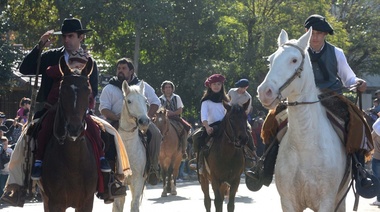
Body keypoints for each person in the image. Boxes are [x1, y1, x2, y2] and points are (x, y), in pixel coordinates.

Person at [0, 18, 124, 206]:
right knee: (27, 137)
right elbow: (24, 68)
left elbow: (95, 90)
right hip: (51, 108)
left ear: (80, 37)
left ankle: (110, 180)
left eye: (71, 36)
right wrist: (39, 47)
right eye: (64, 36)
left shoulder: (89, 62)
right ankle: (19, 185)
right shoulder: (50, 56)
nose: (67, 40)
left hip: (79, 111)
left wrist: (85, 106)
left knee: (108, 133)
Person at [246, 14, 373, 191]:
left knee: (357, 123)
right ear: (307, 32)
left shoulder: (336, 52)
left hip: (331, 97)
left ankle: (360, 173)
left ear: (325, 35)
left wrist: (357, 82)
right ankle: (264, 167)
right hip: (299, 98)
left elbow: (348, 77)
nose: (316, 37)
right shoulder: (295, 52)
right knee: (271, 122)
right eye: (313, 33)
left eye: (320, 33)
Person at [99, 57, 162, 185]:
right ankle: (107, 172)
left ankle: (153, 168)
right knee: (103, 137)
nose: (120, 71)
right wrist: (115, 117)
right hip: (116, 121)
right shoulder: (110, 88)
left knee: (156, 134)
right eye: (118, 68)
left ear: (131, 71)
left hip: (141, 121)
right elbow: (103, 108)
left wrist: (146, 116)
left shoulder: (142, 86)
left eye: (124, 68)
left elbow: (156, 102)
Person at [190, 74, 229, 173]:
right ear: (210, 86)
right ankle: (199, 162)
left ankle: (248, 158)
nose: (216, 86)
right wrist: (207, 127)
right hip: (211, 127)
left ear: (222, 86)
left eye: (219, 84)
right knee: (196, 137)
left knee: (242, 133)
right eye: (214, 84)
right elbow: (204, 116)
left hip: (225, 126)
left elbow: (229, 114)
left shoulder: (226, 101)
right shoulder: (205, 101)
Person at [159, 80, 192, 160]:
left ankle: (184, 150)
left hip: (175, 118)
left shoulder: (176, 97)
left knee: (186, 128)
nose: (168, 89)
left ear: (172, 88)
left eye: (169, 87)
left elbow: (180, 110)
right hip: (163, 119)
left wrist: (172, 113)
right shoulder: (160, 99)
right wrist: (166, 113)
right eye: (166, 87)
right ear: (163, 89)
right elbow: (159, 110)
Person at [227, 78, 256, 168]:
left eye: (242, 87)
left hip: (240, 117)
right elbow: (226, 101)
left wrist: (240, 114)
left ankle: (253, 152)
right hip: (229, 114)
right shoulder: (232, 91)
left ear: (246, 87)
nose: (240, 89)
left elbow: (247, 111)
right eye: (239, 86)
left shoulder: (248, 97)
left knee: (247, 129)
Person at [371, 113, 380, 206]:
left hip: (377, 158)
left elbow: (369, 139)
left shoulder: (376, 132)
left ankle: (379, 200)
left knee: (377, 179)